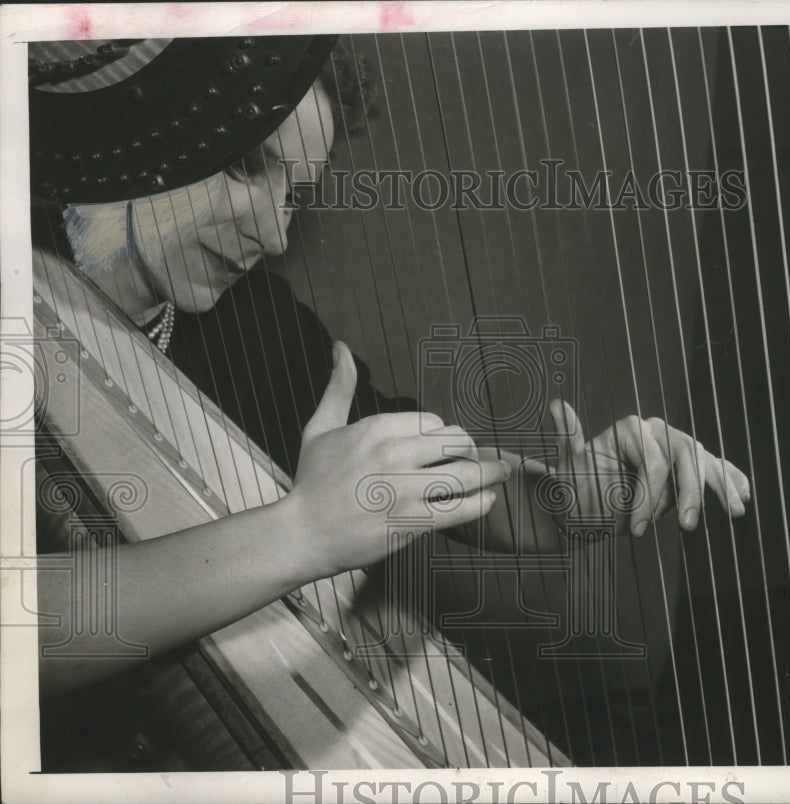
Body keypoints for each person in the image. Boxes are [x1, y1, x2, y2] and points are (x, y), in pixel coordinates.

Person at [31, 37, 750, 707]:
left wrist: (572, 499)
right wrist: (301, 533)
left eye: (293, 196)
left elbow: (415, 478)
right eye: (248, 166)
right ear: (151, 129)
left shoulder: (258, 322)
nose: (273, 234)